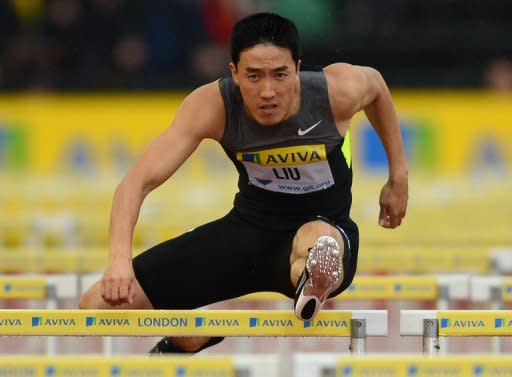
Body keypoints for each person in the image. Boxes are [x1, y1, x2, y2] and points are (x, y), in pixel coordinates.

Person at [79, 12, 408, 354]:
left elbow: (378, 88)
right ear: (234, 73)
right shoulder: (213, 106)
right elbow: (136, 182)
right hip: (246, 236)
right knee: (95, 306)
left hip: (323, 230)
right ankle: (188, 336)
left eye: (280, 75)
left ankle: (315, 278)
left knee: (318, 239)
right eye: (254, 76)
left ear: (297, 68)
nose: (268, 91)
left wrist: (398, 176)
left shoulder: (335, 92)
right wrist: (118, 259)